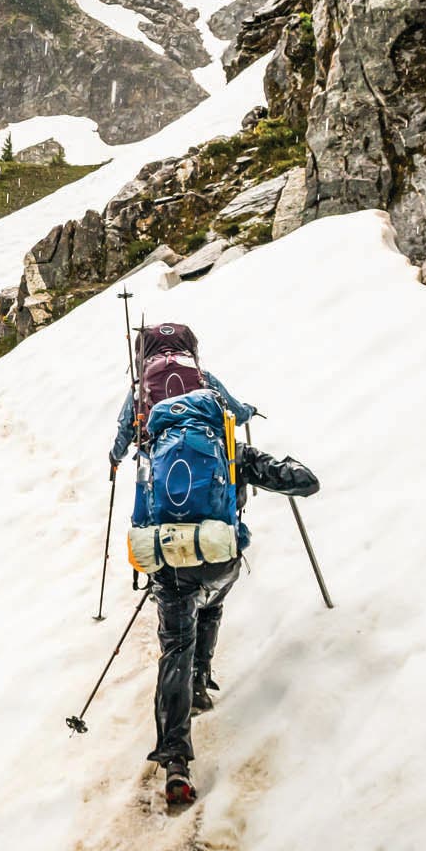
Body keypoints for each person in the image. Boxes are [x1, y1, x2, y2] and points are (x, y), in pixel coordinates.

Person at [108, 324, 257, 808]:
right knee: (211, 602)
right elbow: (234, 412)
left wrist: (116, 459)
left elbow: (122, 436)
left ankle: (175, 759)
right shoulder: (205, 381)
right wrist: (248, 414)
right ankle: (199, 682)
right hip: (216, 538)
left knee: (175, 640)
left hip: (164, 544)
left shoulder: (140, 392)